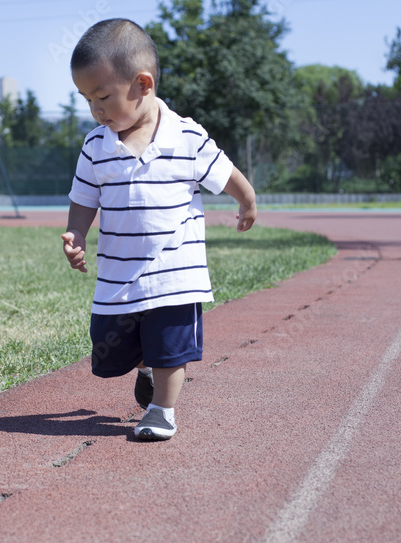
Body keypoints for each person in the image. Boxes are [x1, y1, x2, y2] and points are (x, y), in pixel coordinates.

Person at [62, 18, 257, 441]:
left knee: (171, 346)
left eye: (103, 97)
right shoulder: (96, 146)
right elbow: (83, 200)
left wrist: (247, 200)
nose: (95, 111)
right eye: (86, 100)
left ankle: (161, 410)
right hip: (119, 277)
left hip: (176, 274)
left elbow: (224, 173)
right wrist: (76, 235)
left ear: (143, 84)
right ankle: (145, 365)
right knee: (111, 350)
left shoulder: (187, 136)